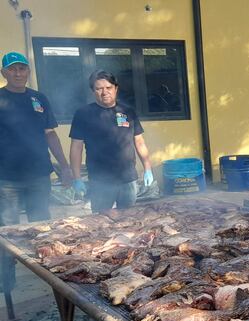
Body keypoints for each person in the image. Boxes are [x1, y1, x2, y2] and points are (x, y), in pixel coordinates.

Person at [0, 51, 73, 304]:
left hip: (39, 174)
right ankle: (6, 282)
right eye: (12, 69)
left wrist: (64, 166)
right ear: (4, 73)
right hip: (6, 178)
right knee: (8, 231)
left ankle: (46, 275)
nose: (18, 73)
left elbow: (50, 134)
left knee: (41, 228)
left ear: (28, 72)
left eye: (22, 69)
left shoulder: (38, 98)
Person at [69, 70, 153, 213]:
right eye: (99, 88)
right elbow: (76, 148)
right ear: (92, 91)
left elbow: (139, 142)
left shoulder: (128, 111)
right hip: (100, 182)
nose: (104, 92)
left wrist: (148, 168)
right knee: (101, 222)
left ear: (116, 88)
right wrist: (77, 178)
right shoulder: (83, 114)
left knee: (130, 220)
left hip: (128, 179)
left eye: (108, 87)